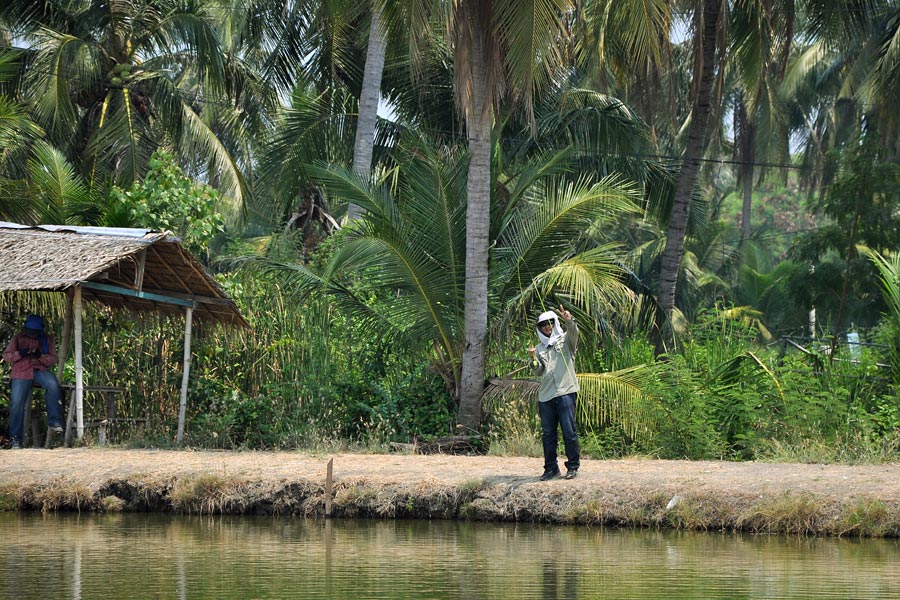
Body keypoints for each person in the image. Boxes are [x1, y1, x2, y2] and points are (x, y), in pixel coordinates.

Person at [529, 305, 581, 480]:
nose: (546, 327)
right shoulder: (538, 348)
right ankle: (551, 468)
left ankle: (573, 466)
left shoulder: (566, 340)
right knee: (548, 434)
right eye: (543, 325)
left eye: (549, 323)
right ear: (539, 328)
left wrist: (569, 320)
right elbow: (537, 371)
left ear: (555, 323)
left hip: (566, 392)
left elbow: (574, 333)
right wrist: (533, 359)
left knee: (569, 431)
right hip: (546, 396)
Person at [2, 315, 64, 449]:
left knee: (52, 385)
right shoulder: (18, 338)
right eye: (30, 331)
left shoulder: (47, 339)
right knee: (17, 403)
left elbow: (53, 359)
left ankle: (54, 422)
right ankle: (15, 440)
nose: (32, 334)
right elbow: (6, 356)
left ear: (40, 331)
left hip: (40, 369)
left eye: (34, 332)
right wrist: (20, 354)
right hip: (21, 371)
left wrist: (39, 355)